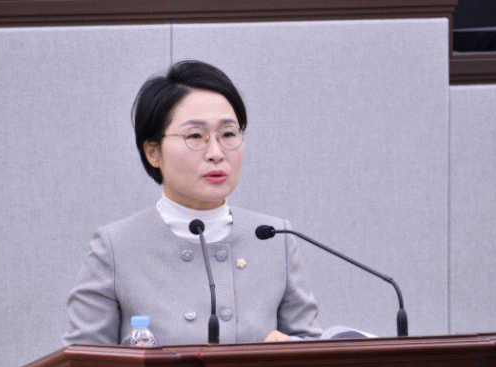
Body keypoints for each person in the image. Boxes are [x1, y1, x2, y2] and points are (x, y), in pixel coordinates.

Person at [62, 60, 322, 346]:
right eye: (195, 136)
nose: (216, 153)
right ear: (153, 152)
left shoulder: (274, 238)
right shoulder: (116, 247)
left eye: (228, 134)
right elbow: (83, 363)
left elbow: (311, 350)